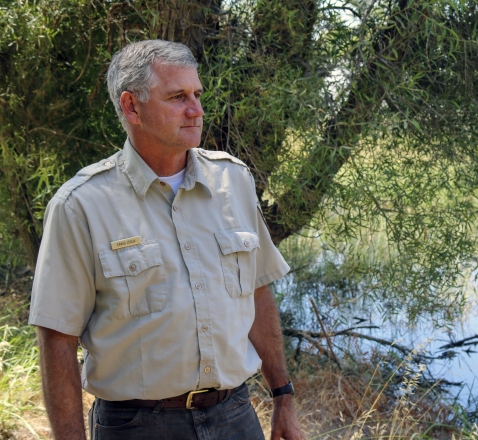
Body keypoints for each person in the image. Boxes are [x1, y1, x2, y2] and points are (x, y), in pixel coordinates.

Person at [29, 39, 303, 440]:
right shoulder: (81, 205)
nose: (196, 110)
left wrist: (283, 396)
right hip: (138, 426)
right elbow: (56, 337)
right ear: (131, 107)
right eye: (177, 97)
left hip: (236, 417)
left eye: (196, 95)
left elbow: (257, 291)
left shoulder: (233, 180)